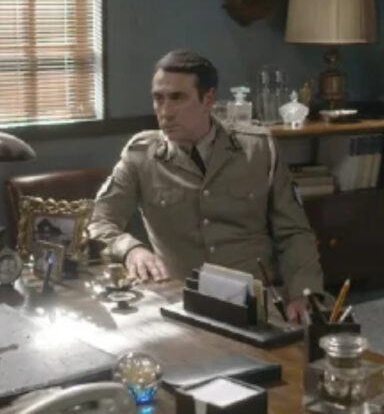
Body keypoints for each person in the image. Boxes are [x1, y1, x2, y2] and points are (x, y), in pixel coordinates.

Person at [88, 49, 323, 322]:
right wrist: (130, 249)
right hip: (183, 302)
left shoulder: (259, 149)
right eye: (158, 98)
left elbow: (294, 232)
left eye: (178, 98)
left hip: (260, 301)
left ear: (208, 99)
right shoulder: (141, 155)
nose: (165, 112)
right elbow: (99, 222)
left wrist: (302, 292)